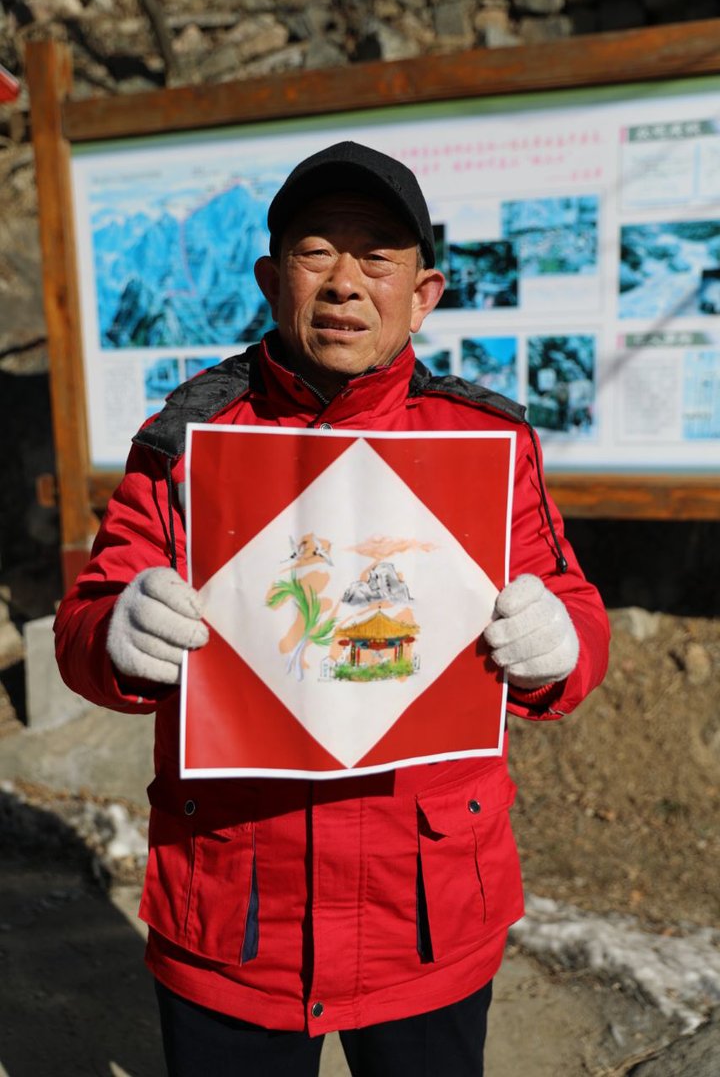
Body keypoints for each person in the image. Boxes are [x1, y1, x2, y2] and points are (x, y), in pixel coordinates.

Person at [54, 141, 609, 1076]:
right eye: (317, 252)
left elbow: (575, 611)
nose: (346, 282)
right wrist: (115, 633)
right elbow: (88, 617)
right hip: (235, 914)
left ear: (423, 292)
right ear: (274, 278)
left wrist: (560, 644)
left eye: (378, 256)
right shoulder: (187, 440)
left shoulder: (487, 444)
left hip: (425, 913)